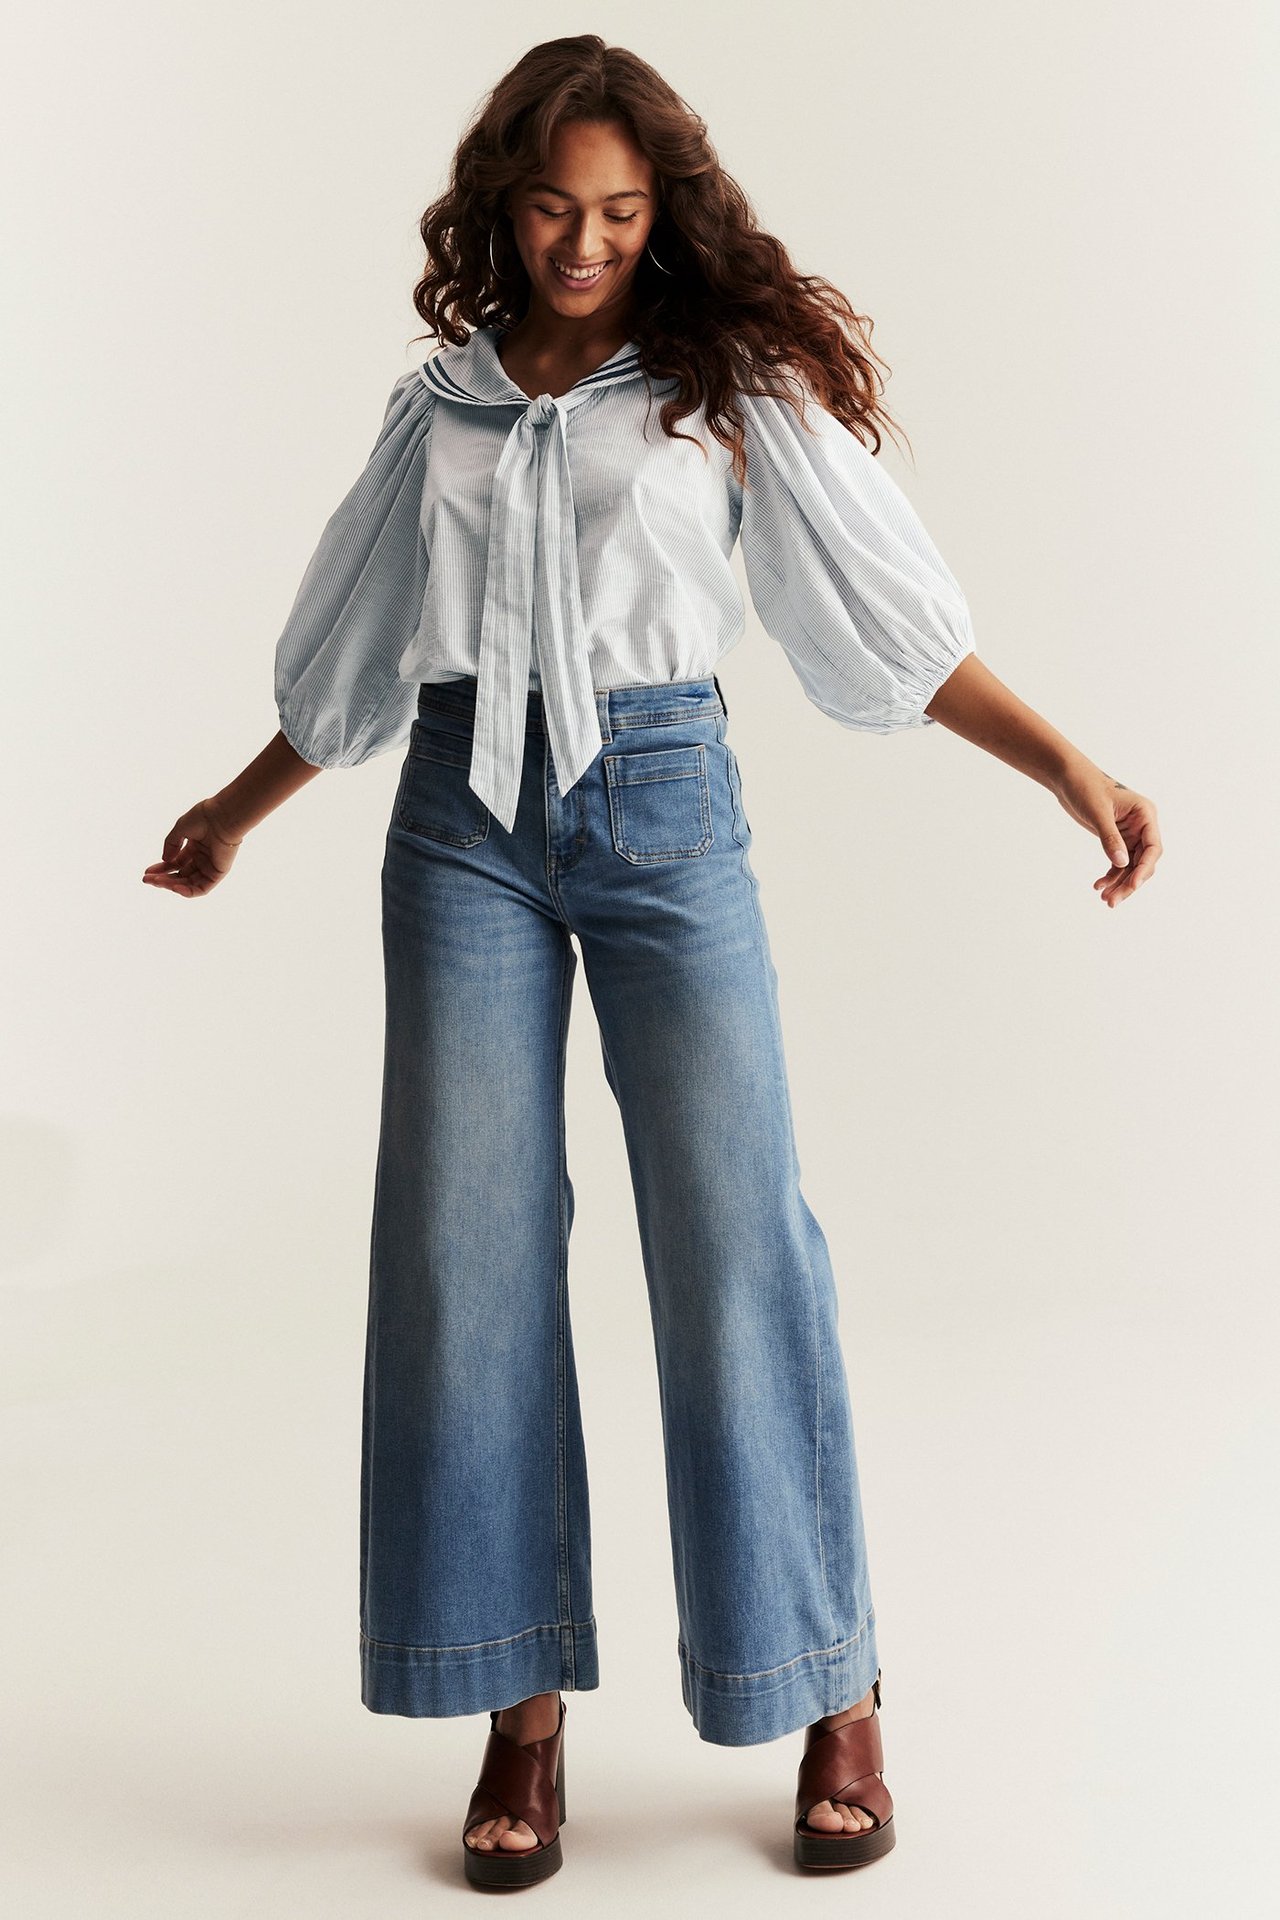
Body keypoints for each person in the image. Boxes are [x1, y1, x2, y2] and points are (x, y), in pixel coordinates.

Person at [142, 34, 1162, 1888]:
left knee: (733, 1232)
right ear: (499, 204)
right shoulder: (441, 407)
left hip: (666, 803)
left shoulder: (724, 388)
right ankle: (517, 1711)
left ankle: (828, 1681)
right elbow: (365, 651)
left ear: (661, 208)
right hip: (461, 826)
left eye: (620, 210)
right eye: (553, 207)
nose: (586, 241)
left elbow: (889, 621)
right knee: (464, 1257)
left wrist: (1071, 767)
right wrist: (231, 812)